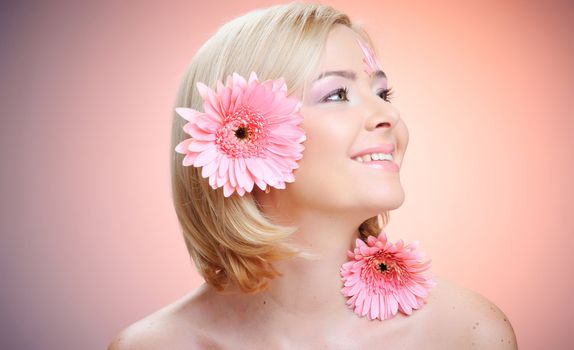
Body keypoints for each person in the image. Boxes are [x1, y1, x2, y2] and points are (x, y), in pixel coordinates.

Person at [108, 2, 518, 349]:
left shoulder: (466, 333)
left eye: (382, 93)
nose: (389, 116)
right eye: (337, 95)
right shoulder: (155, 345)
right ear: (236, 133)